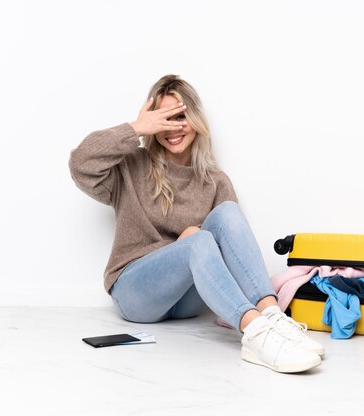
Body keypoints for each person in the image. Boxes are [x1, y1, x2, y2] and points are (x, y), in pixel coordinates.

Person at [69, 74, 324, 373]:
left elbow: (233, 255)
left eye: (181, 117)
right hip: (136, 293)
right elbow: (81, 164)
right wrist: (136, 128)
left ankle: (274, 318)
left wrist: (194, 240)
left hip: (189, 302)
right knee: (199, 241)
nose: (173, 128)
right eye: (164, 119)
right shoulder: (131, 166)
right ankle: (255, 335)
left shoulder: (215, 180)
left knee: (227, 212)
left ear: (195, 119)